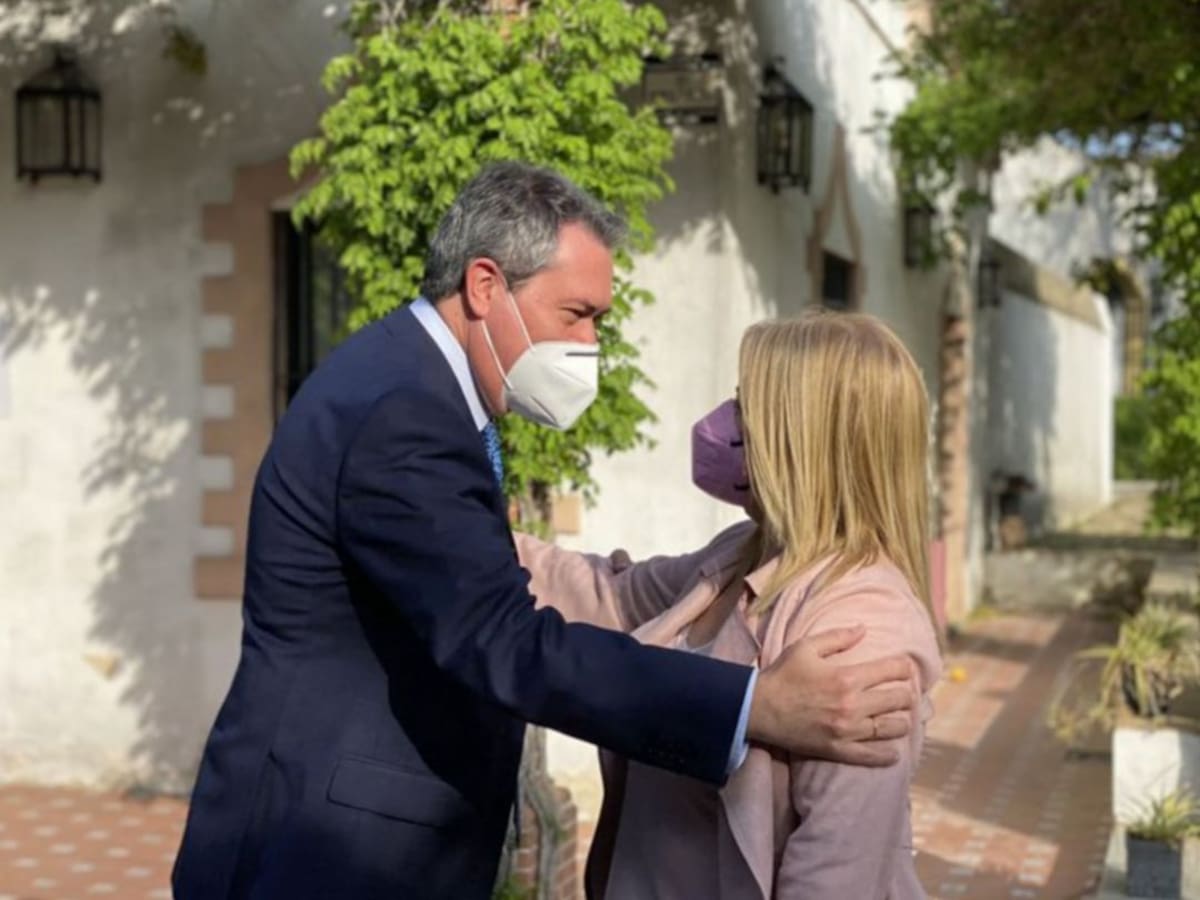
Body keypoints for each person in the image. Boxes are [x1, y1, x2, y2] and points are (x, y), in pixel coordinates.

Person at [171, 162, 919, 900]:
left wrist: (485, 544)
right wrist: (752, 706)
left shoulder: (861, 619)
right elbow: (506, 641)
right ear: (485, 286)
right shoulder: (406, 411)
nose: (590, 343)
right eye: (576, 314)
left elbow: (594, 590)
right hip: (331, 858)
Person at [517, 312, 943, 898]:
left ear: (803, 435)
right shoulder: (741, 553)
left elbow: (833, 876)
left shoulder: (865, 626)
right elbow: (605, 595)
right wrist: (458, 529)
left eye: (746, 407)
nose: (725, 424)